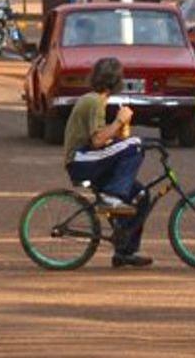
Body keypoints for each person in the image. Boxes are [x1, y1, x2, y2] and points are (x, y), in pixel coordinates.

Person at [62, 57, 153, 268]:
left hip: (90, 159)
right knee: (135, 145)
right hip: (80, 160)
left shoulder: (96, 100)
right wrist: (119, 120)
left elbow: (104, 141)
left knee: (141, 195)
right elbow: (97, 141)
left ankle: (125, 251)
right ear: (116, 81)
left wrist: (119, 132)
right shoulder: (94, 100)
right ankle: (113, 195)